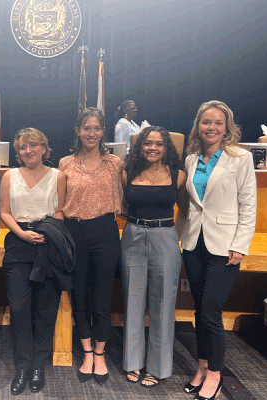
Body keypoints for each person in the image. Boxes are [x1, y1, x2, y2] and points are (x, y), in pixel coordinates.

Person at [180, 100, 256, 400]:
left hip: (225, 246)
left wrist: (240, 245)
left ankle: (215, 374)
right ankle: (201, 366)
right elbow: (190, 206)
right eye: (206, 122)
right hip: (194, 243)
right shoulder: (191, 158)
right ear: (198, 125)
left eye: (218, 123)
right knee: (200, 310)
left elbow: (249, 205)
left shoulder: (241, 158)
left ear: (227, 128)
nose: (211, 127)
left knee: (211, 311)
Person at [0, 127, 67, 395]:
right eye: (22, 147)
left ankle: (38, 365)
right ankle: (22, 366)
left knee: (46, 309)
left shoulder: (58, 176)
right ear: (18, 152)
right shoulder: (9, 176)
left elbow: (61, 209)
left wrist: (46, 230)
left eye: (33, 145)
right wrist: (22, 234)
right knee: (18, 307)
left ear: (43, 147)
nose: (28, 151)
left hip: (48, 244)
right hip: (18, 244)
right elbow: (4, 211)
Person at [59, 107, 122, 385]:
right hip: (75, 231)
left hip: (105, 230)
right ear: (77, 130)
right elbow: (59, 205)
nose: (92, 133)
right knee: (80, 295)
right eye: (86, 128)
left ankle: (100, 353)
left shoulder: (114, 163)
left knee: (102, 297)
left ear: (103, 131)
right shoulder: (65, 164)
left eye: (96, 128)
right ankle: (86, 352)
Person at [120, 126, 186, 387]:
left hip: (165, 237)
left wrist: (172, 237)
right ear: (140, 146)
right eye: (148, 143)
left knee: (163, 304)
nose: (153, 148)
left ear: (167, 148)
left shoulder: (177, 175)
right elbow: (122, 207)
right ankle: (133, 362)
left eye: (159, 144)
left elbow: (186, 209)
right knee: (132, 301)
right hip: (133, 235)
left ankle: (157, 367)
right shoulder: (127, 173)